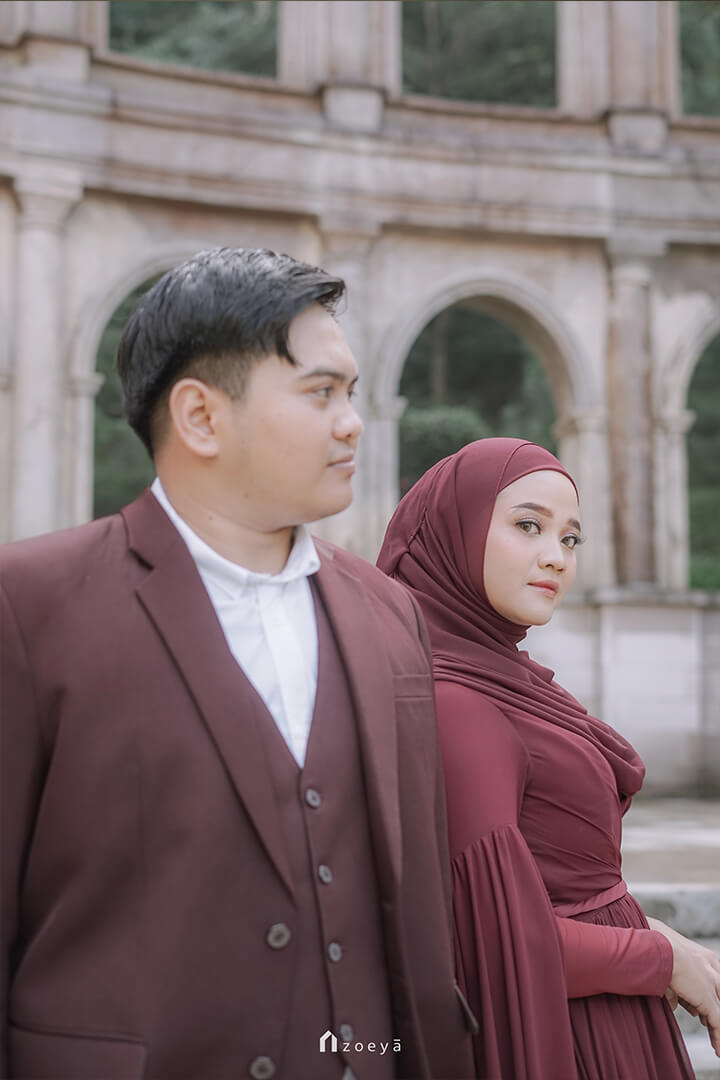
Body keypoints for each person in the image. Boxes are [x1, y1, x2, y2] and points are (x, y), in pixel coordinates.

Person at [0, 248, 474, 1080]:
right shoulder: (29, 605)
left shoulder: (390, 614)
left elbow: (419, 909)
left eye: (352, 393)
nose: (353, 422)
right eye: (321, 392)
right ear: (201, 417)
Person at [377, 437, 720, 1080]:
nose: (555, 557)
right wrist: (660, 959)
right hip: (565, 1037)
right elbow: (492, 945)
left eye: (570, 538)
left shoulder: (504, 678)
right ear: (456, 531)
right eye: (528, 525)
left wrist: (652, 933)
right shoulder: (460, 703)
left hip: (601, 1018)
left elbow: (549, 895)